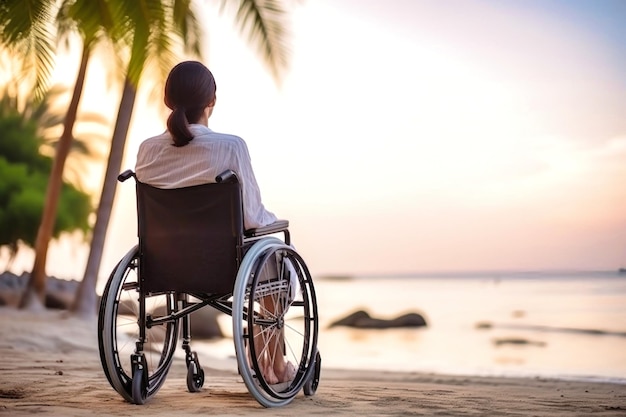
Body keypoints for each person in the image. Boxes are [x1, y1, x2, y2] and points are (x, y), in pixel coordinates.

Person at [135, 60, 295, 384]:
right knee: (276, 250)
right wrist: (276, 224)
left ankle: (270, 364)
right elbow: (252, 217)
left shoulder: (147, 150)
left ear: (168, 100)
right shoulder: (230, 147)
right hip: (225, 266)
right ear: (212, 102)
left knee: (266, 251)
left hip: (164, 263)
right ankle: (272, 365)